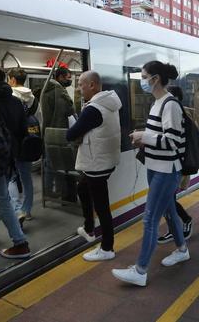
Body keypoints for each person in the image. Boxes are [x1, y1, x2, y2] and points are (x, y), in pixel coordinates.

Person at [112, 61, 189, 287]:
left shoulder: (170, 105)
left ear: (155, 79)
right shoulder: (157, 103)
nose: (142, 80)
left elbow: (172, 142)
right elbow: (161, 135)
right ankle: (182, 249)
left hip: (167, 170)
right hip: (156, 166)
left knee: (150, 218)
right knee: (169, 211)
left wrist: (143, 137)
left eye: (144, 76)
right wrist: (143, 135)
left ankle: (140, 270)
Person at [66, 71, 121, 261]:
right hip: (105, 160)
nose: (79, 88)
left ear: (92, 85)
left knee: (102, 207)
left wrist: (74, 127)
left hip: (97, 164)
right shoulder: (110, 103)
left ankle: (107, 248)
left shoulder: (93, 109)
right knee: (82, 187)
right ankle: (89, 228)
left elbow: (71, 135)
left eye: (81, 84)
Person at [0, 65, 31, 259]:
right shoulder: (16, 101)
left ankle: (20, 243)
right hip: (10, 154)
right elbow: (22, 130)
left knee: (1, 198)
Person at [157, 85, 193, 244]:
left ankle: (184, 222)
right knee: (166, 199)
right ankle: (175, 229)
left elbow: (175, 142)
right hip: (170, 164)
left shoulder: (180, 114)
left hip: (177, 165)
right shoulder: (174, 112)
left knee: (167, 198)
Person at [7, 67, 38, 222]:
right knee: (27, 177)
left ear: (12, 80)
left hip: (14, 141)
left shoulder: (10, 97)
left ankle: (17, 210)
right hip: (29, 140)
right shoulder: (31, 96)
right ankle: (27, 210)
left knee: (12, 177)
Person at [41, 67, 76, 197]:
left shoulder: (46, 90)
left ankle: (48, 191)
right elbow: (70, 110)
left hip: (48, 131)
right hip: (59, 131)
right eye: (68, 78)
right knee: (61, 164)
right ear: (60, 77)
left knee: (49, 165)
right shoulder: (59, 91)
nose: (69, 80)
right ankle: (59, 191)